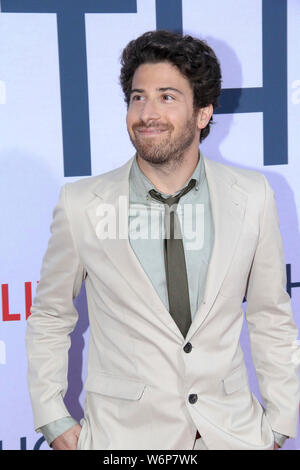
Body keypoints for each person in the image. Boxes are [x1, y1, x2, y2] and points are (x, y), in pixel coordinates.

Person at [26, 30, 300, 451]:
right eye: (138, 97)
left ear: (203, 113)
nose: (147, 113)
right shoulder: (82, 204)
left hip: (232, 435)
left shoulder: (253, 195)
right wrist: (52, 417)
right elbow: (50, 317)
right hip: (125, 440)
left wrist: (279, 421)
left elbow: (270, 315)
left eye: (167, 97)